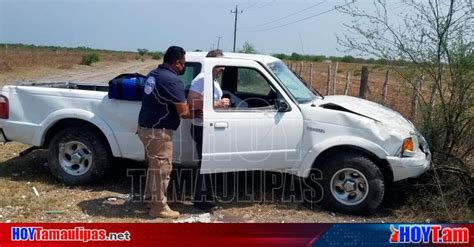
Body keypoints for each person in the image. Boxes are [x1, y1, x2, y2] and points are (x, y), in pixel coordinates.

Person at [137, 46, 198, 219]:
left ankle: (150, 200)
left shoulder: (154, 74)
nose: (184, 66)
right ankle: (159, 208)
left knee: (155, 168)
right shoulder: (172, 80)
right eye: (183, 63)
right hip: (159, 132)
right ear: (178, 62)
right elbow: (184, 112)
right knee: (162, 170)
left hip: (145, 128)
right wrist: (198, 111)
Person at [187, 49, 230, 211]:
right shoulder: (202, 79)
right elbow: (191, 101)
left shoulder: (211, 80)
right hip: (202, 128)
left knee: (209, 164)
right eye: (220, 65)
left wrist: (220, 102)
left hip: (208, 127)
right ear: (211, 63)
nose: (223, 68)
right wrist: (218, 104)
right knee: (206, 164)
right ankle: (201, 200)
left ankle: (207, 196)